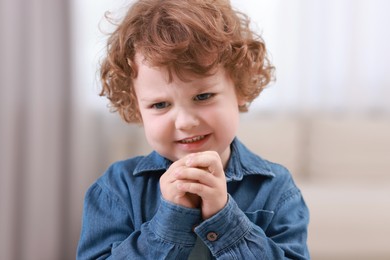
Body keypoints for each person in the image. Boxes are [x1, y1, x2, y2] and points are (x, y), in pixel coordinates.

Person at [77, 0, 310, 259]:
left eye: (203, 96)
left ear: (240, 88)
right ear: (136, 107)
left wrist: (224, 218)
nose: (185, 122)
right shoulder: (115, 189)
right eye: (160, 104)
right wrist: (171, 219)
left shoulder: (277, 189)